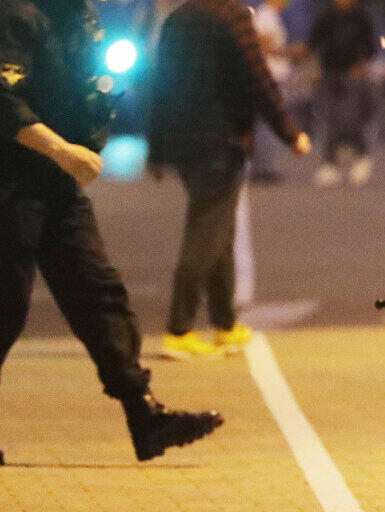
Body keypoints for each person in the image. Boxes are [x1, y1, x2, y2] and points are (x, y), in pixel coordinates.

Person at [0, 0, 223, 462]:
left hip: (59, 188)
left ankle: (145, 417)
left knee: (100, 296)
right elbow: (5, 102)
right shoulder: (16, 14)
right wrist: (63, 150)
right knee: (5, 304)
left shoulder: (82, 14)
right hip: (10, 184)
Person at [147, 0, 312, 360]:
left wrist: (156, 149)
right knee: (206, 233)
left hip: (183, 141)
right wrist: (289, 132)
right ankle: (179, 329)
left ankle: (225, 325)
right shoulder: (233, 16)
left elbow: (159, 82)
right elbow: (258, 77)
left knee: (218, 232)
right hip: (221, 139)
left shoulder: (177, 19)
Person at [307, 0, 380, 187]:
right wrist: (314, 67)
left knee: (350, 117)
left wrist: (361, 64)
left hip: (352, 73)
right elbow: (314, 43)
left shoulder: (361, 17)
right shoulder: (326, 16)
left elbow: (371, 45)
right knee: (329, 118)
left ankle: (361, 156)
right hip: (328, 72)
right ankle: (330, 163)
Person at [250, 0, 294, 182]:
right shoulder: (266, 16)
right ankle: (262, 168)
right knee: (268, 123)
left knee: (267, 123)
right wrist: (288, 52)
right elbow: (260, 44)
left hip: (273, 76)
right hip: (270, 76)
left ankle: (263, 166)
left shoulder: (273, 17)